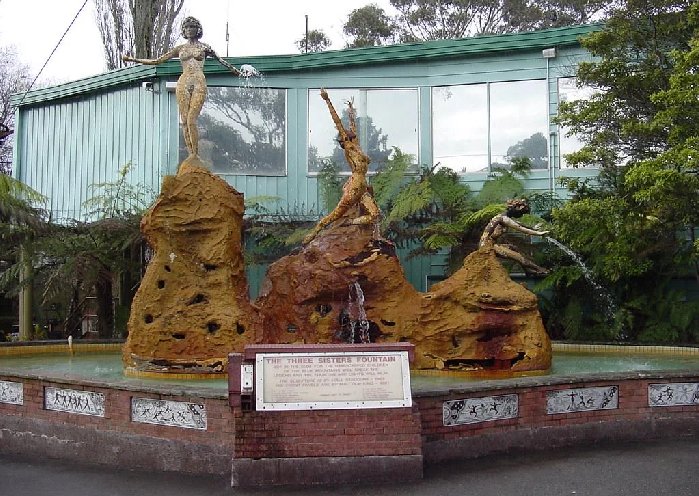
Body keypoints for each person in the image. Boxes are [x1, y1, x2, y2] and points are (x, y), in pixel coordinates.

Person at [122, 16, 241, 158]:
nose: (189, 29)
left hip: (198, 81)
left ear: (198, 29)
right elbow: (157, 61)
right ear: (184, 30)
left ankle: (195, 154)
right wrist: (133, 59)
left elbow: (222, 62)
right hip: (183, 82)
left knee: (191, 119)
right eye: (187, 27)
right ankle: (191, 154)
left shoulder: (204, 47)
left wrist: (237, 72)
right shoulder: (180, 48)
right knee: (184, 120)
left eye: (192, 27)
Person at [303, 89, 380, 244]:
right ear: (344, 141)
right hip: (353, 189)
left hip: (362, 188)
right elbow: (337, 122)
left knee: (374, 214)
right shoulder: (349, 148)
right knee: (335, 215)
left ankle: (351, 223)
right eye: (347, 136)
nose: (350, 134)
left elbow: (353, 126)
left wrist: (351, 110)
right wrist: (327, 101)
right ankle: (314, 232)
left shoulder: (356, 145)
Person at [480, 198, 549, 275]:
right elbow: (520, 228)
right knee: (518, 256)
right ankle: (539, 269)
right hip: (487, 246)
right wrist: (538, 233)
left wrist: (533, 228)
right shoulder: (503, 218)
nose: (521, 214)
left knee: (514, 248)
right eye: (521, 212)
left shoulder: (505, 218)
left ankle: (527, 270)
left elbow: (520, 225)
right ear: (515, 208)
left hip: (493, 244)